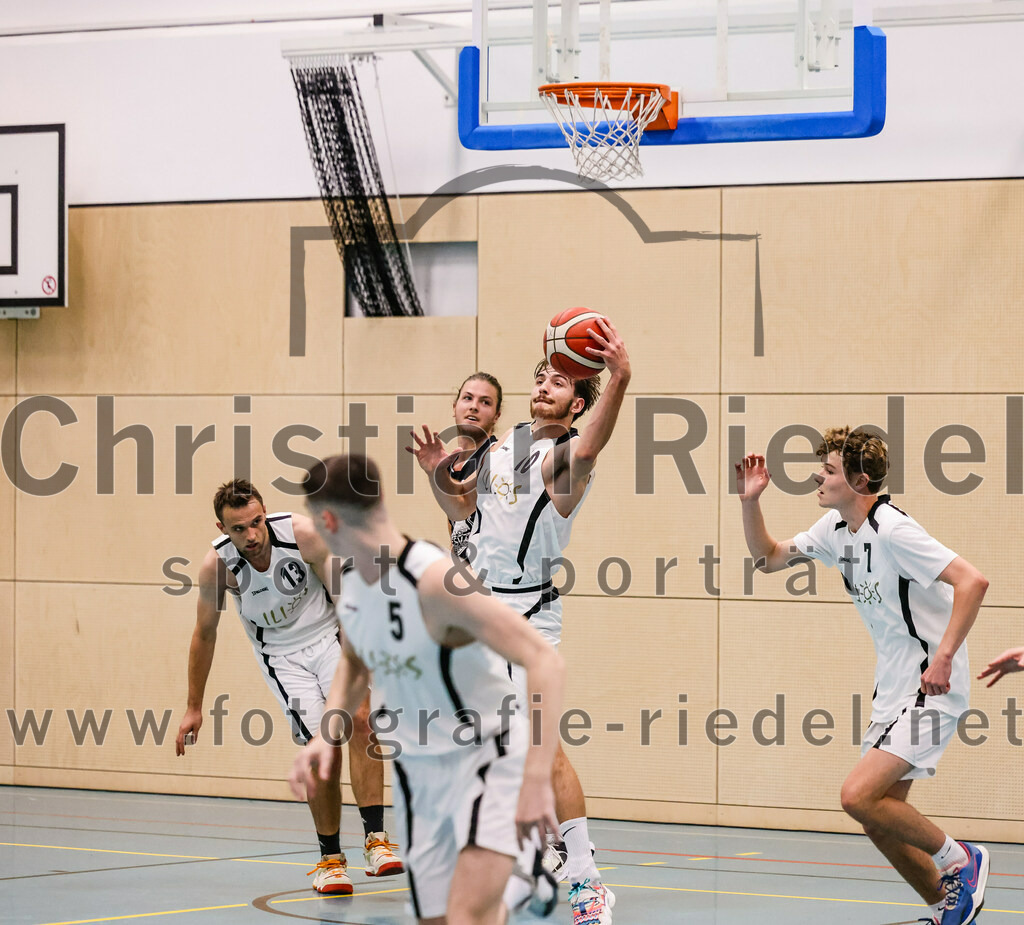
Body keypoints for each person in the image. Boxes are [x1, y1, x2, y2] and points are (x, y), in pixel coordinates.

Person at [410, 317, 630, 925]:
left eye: (558, 382)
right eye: (539, 376)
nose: (543, 384)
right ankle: (532, 854)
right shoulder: (504, 443)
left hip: (527, 615)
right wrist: (437, 473)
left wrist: (622, 376)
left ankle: (585, 882)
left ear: (578, 401)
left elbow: (592, 444)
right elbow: (464, 511)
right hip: (476, 614)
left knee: (545, 751)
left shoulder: (567, 457)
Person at [290, 454, 565, 925]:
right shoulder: (351, 582)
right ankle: (518, 887)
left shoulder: (436, 579)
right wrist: (325, 734)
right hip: (417, 775)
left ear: (328, 520)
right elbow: (355, 663)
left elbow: (545, 660)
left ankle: (519, 876)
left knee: (465, 918)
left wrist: (537, 780)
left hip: (485, 759)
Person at [735, 428, 990, 925]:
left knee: (856, 795)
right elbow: (766, 559)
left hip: (929, 686)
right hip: (893, 691)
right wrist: (751, 502)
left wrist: (944, 656)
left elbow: (972, 581)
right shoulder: (834, 529)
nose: (818, 476)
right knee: (877, 818)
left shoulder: (894, 529)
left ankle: (962, 859)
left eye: (829, 471)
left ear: (860, 480)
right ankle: (945, 908)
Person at [175, 478, 404, 894]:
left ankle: (376, 840)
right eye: (239, 528)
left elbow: (346, 599)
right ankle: (330, 859)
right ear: (222, 528)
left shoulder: (303, 535)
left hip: (331, 634)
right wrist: (194, 706)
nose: (252, 534)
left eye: (256, 522)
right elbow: (203, 634)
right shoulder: (218, 566)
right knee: (323, 751)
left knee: (362, 720)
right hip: (281, 656)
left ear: (265, 514)